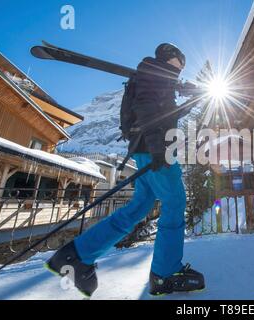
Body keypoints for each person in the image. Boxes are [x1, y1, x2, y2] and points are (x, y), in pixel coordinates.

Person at [45, 43, 205, 298]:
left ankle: (76, 255)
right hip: (157, 150)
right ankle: (165, 274)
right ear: (169, 57)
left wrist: (190, 98)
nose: (183, 65)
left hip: (145, 150)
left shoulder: (153, 78)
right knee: (175, 203)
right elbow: (147, 110)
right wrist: (157, 150)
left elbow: (164, 113)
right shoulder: (155, 75)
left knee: (139, 207)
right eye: (180, 59)